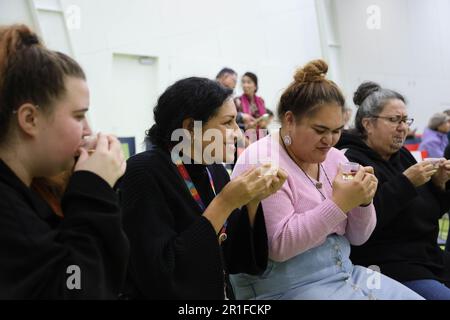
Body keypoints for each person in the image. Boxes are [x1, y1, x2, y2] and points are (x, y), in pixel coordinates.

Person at [230, 60, 422, 300]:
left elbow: (359, 238)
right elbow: (279, 247)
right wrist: (340, 204)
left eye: (337, 130)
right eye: (320, 130)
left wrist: (363, 202)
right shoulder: (262, 161)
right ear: (289, 120)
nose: (330, 140)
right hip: (286, 288)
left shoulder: (333, 158)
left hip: (345, 274)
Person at [118, 77, 287, 299]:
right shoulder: (143, 171)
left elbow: (239, 260)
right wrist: (225, 203)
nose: (238, 133)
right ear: (191, 127)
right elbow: (160, 276)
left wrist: (253, 200)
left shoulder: (214, 171)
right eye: (228, 123)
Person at [0, 24, 129, 299]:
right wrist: (94, 190)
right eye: (78, 115)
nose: (87, 131)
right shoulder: (7, 210)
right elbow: (78, 287)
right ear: (30, 119)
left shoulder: (28, 194)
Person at [336, 81, 450, 300]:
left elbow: (427, 213)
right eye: (394, 120)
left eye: (405, 120)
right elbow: (363, 225)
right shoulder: (349, 160)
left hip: (427, 257)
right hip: (387, 265)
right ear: (368, 124)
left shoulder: (403, 156)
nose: (403, 127)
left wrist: (439, 186)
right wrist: (406, 182)